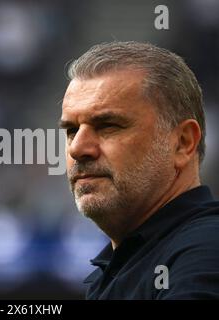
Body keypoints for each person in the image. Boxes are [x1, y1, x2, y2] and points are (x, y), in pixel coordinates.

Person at [59, 41, 219, 299]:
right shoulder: (122, 265)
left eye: (108, 125)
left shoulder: (204, 251)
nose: (77, 148)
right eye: (71, 130)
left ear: (183, 142)